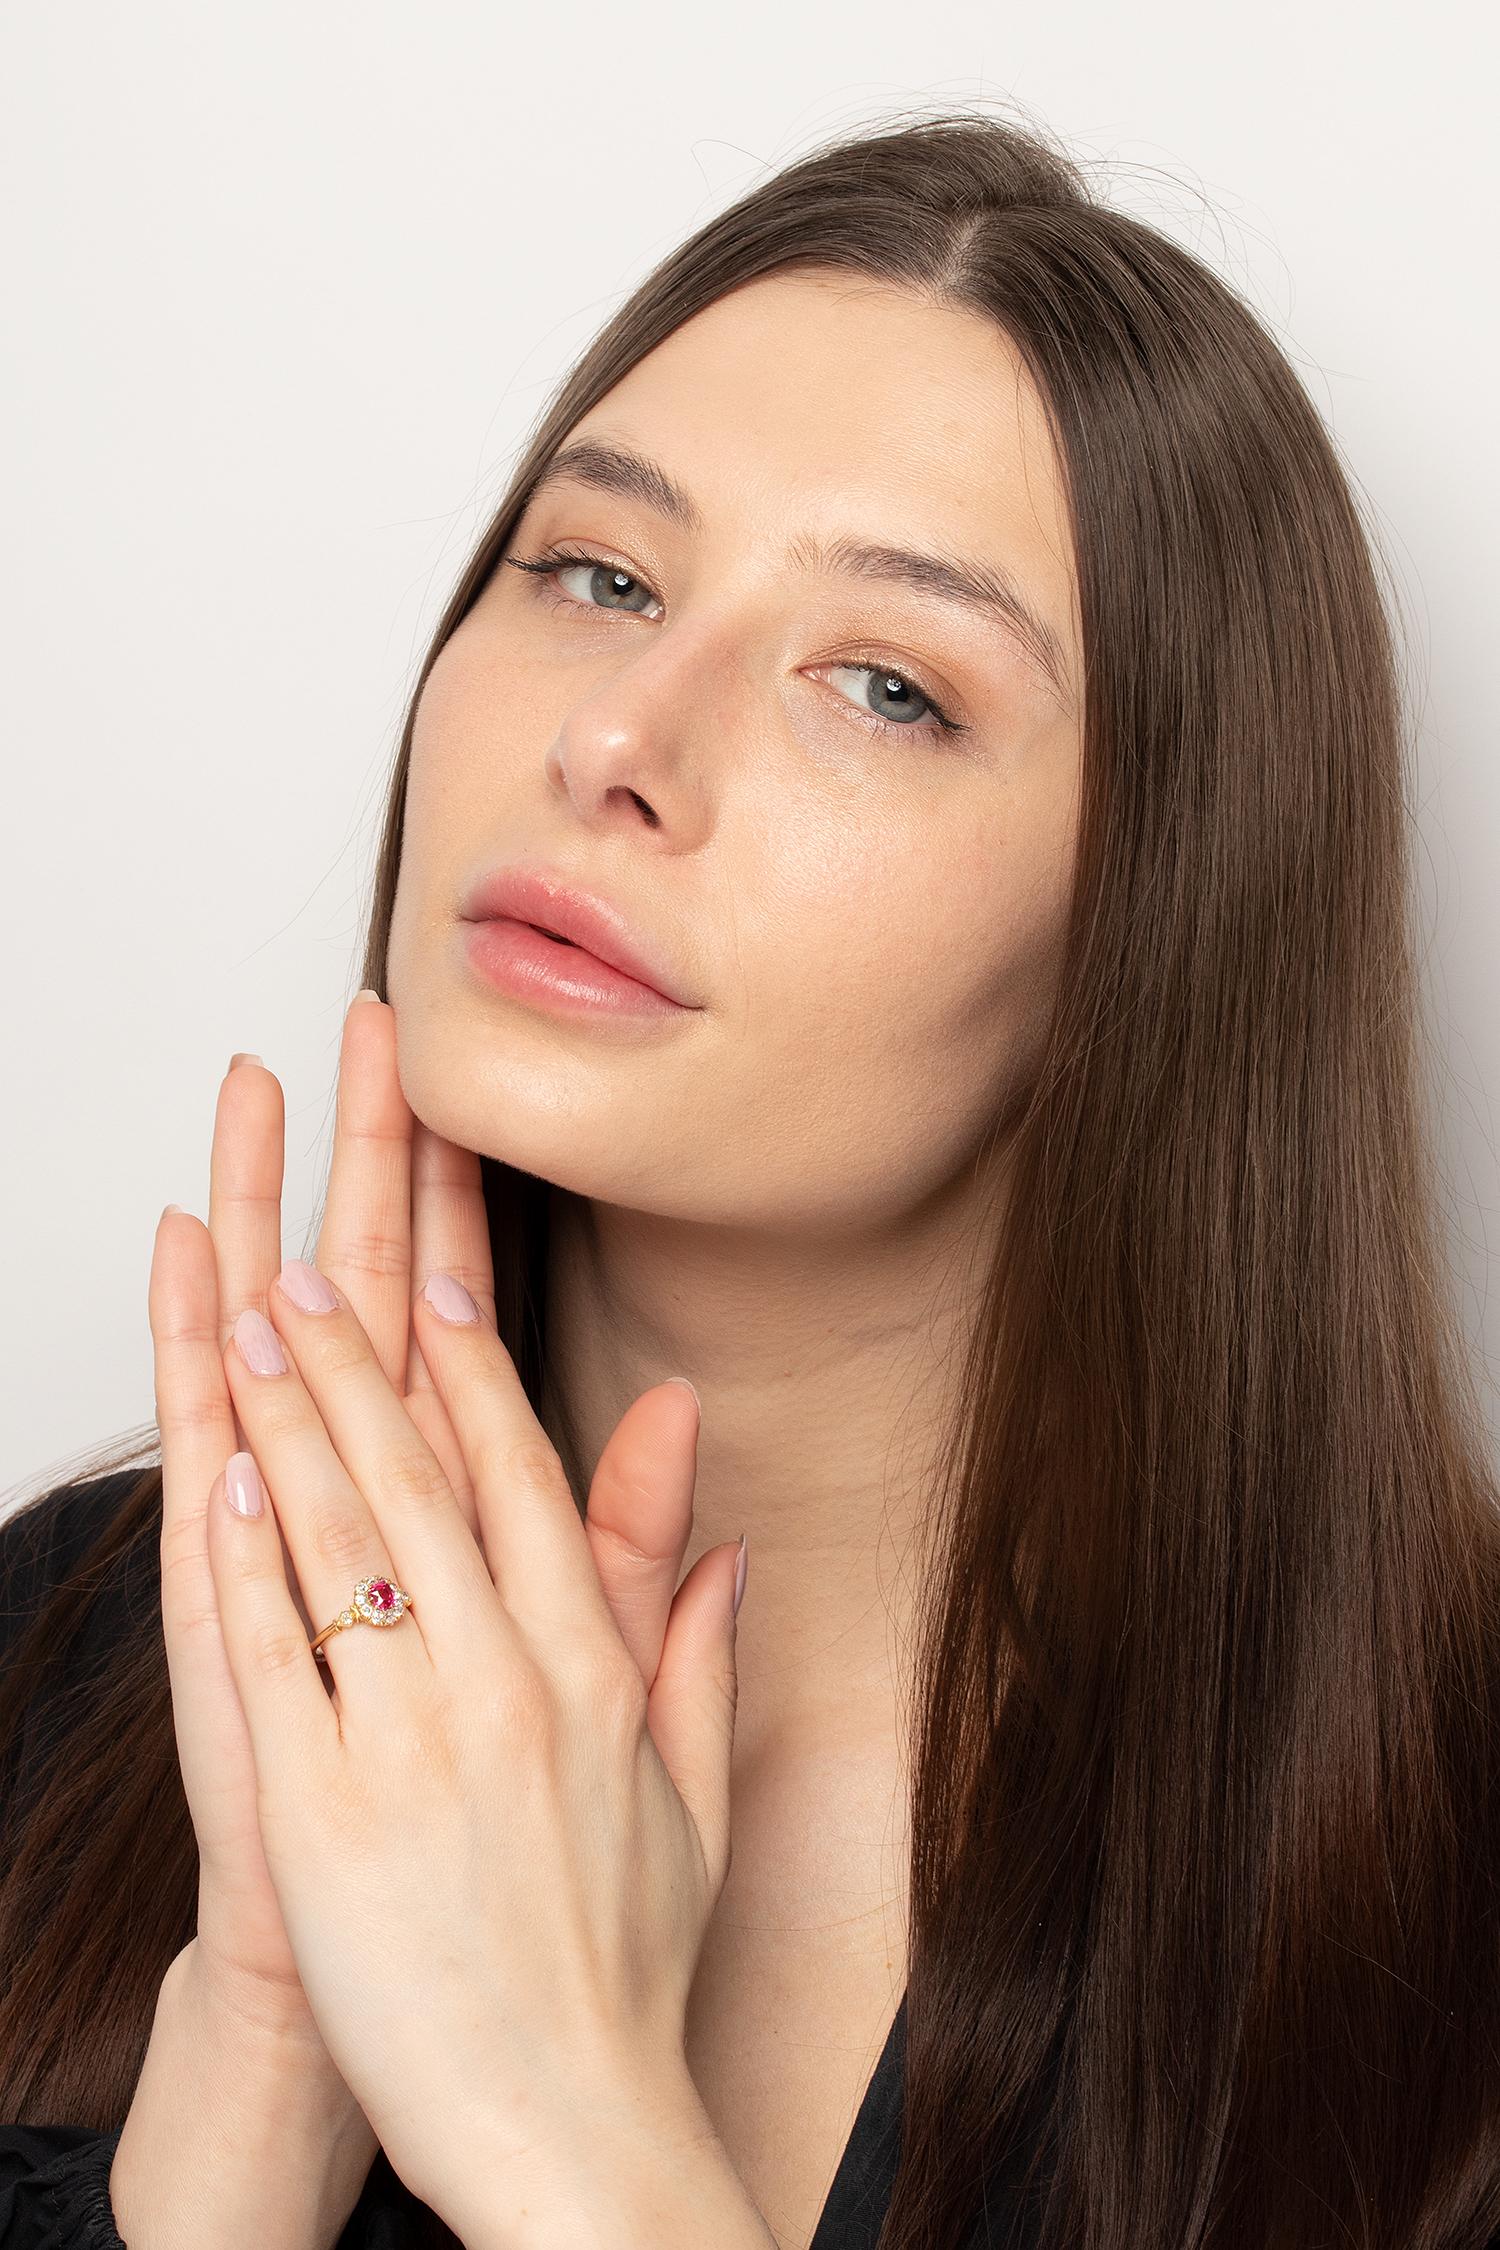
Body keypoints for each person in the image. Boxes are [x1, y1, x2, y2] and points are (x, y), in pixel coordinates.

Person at [4, 100, 1498, 2250]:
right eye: (598, 573)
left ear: (1157, 936)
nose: (617, 734)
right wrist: (249, 2090)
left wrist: (570, 2140)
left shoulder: (1442, 1905)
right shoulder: (53, 1674)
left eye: (886, 689)